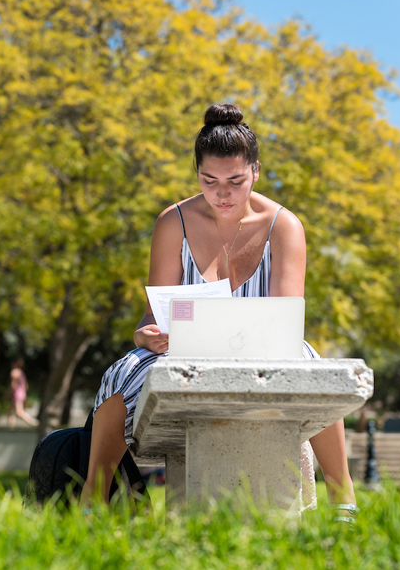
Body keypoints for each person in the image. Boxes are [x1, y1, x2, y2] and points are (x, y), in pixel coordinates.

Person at [82, 103, 357, 520]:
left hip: (266, 349)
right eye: (209, 181)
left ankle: (344, 501)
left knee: (310, 360)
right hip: (180, 350)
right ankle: (93, 496)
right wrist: (146, 335)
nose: (222, 193)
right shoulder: (173, 221)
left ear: (256, 172)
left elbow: (285, 319)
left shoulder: (284, 225)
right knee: (124, 371)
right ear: (197, 175)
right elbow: (150, 317)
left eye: (235, 180)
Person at [8, 359, 39, 427]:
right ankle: (11, 426)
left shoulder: (14, 372)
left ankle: (34, 422)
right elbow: (26, 386)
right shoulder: (22, 373)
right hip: (22, 393)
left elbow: (13, 385)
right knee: (11, 411)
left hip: (17, 394)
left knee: (19, 412)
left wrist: (9, 393)